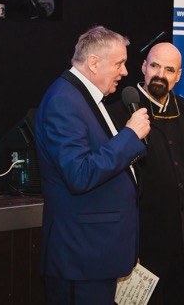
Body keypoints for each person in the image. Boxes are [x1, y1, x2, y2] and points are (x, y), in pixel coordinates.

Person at [34, 26, 150, 305]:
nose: (124, 72)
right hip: (82, 256)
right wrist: (130, 136)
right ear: (94, 63)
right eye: (119, 63)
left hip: (97, 253)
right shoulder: (64, 101)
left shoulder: (84, 97)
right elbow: (79, 174)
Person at [108, 42, 184, 305]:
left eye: (169, 69)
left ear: (178, 76)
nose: (160, 74)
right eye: (155, 66)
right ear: (143, 67)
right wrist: (126, 245)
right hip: (143, 244)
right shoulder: (118, 112)